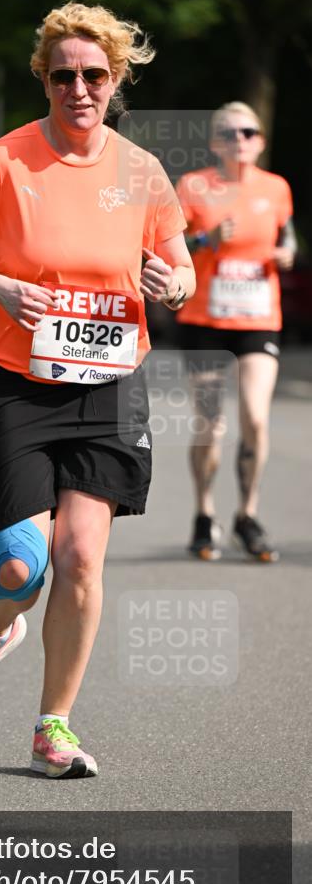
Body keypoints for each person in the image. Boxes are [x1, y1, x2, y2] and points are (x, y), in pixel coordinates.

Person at [0, 2, 194, 778]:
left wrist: (171, 283)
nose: (79, 88)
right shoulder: (5, 161)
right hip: (17, 382)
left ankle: (54, 728)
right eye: (63, 75)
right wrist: (3, 290)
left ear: (114, 82)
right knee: (21, 561)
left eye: (94, 75)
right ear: (43, 80)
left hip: (109, 384)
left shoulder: (140, 171)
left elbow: (180, 269)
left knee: (79, 557)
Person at [175, 102, 296, 562]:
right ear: (215, 143)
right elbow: (168, 248)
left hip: (258, 319)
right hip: (205, 322)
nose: (239, 140)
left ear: (260, 141)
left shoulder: (276, 187)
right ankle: (205, 514)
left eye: (248, 132)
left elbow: (286, 234)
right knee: (211, 425)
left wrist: (286, 251)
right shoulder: (194, 186)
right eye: (229, 133)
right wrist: (208, 240)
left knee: (256, 417)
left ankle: (247, 514)